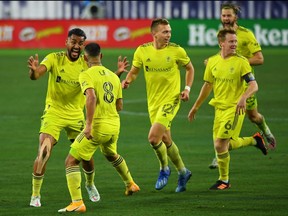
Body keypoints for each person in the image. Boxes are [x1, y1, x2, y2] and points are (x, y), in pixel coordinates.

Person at [27, 28, 128, 207]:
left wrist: (118, 73)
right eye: (73, 42)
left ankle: (90, 184)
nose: (76, 46)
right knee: (44, 150)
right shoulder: (54, 58)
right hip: (54, 113)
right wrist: (34, 72)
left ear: (83, 46)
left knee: (86, 156)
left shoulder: (85, 63)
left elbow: (100, 79)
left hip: (76, 115)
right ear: (67, 42)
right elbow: (38, 74)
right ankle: (35, 194)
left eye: (80, 43)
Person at [58, 42, 140, 213]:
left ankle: (77, 202)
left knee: (70, 161)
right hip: (114, 125)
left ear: (84, 57)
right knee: (110, 153)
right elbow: (119, 106)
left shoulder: (85, 74)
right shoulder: (113, 76)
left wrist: (88, 126)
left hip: (97, 126)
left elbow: (91, 97)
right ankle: (130, 184)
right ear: (101, 56)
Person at [188, 28, 268, 190]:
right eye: (231, 42)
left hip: (235, 109)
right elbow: (207, 85)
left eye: (235, 41)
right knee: (224, 145)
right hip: (219, 108)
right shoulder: (212, 62)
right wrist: (196, 106)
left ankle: (224, 180)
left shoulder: (241, 62)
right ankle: (254, 140)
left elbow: (254, 85)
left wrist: (243, 98)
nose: (234, 44)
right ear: (221, 43)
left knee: (219, 145)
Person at [122, 18, 194, 193]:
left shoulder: (177, 50)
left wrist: (186, 89)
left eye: (169, 31)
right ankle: (183, 172)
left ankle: (164, 169)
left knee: (154, 138)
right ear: (154, 33)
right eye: (165, 32)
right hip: (153, 102)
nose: (168, 35)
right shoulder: (142, 51)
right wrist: (128, 81)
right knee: (166, 139)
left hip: (171, 99)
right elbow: (134, 71)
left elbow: (190, 68)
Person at [208, 2, 276, 169]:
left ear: (235, 17)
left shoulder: (246, 35)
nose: (225, 18)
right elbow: (222, 55)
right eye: (223, 15)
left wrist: (241, 61)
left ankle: (265, 132)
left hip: (245, 86)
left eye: (228, 15)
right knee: (224, 124)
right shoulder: (222, 34)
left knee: (254, 117)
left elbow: (260, 58)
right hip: (227, 87)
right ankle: (220, 154)